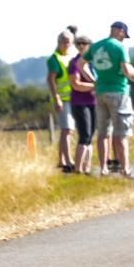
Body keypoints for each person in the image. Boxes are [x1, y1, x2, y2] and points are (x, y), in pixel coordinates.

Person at [88, 20, 134, 178]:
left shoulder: (96, 46)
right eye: (124, 35)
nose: (123, 38)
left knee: (103, 133)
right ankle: (125, 170)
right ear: (120, 31)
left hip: (100, 91)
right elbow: (130, 73)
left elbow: (81, 63)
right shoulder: (120, 48)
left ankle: (104, 168)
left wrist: (93, 79)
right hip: (118, 92)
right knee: (121, 134)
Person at [45, 26, 78, 172]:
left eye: (69, 41)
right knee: (67, 129)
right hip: (63, 99)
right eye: (64, 41)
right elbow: (51, 80)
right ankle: (68, 161)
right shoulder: (55, 59)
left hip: (73, 97)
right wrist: (56, 97)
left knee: (69, 131)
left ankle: (61, 159)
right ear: (59, 42)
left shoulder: (71, 56)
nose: (66, 44)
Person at [67, 33, 97, 173]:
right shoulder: (75, 63)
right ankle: (78, 169)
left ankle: (87, 167)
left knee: (90, 136)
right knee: (84, 136)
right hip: (80, 103)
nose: (81, 46)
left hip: (94, 102)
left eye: (84, 44)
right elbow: (76, 84)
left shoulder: (93, 63)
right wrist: (95, 87)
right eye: (78, 44)